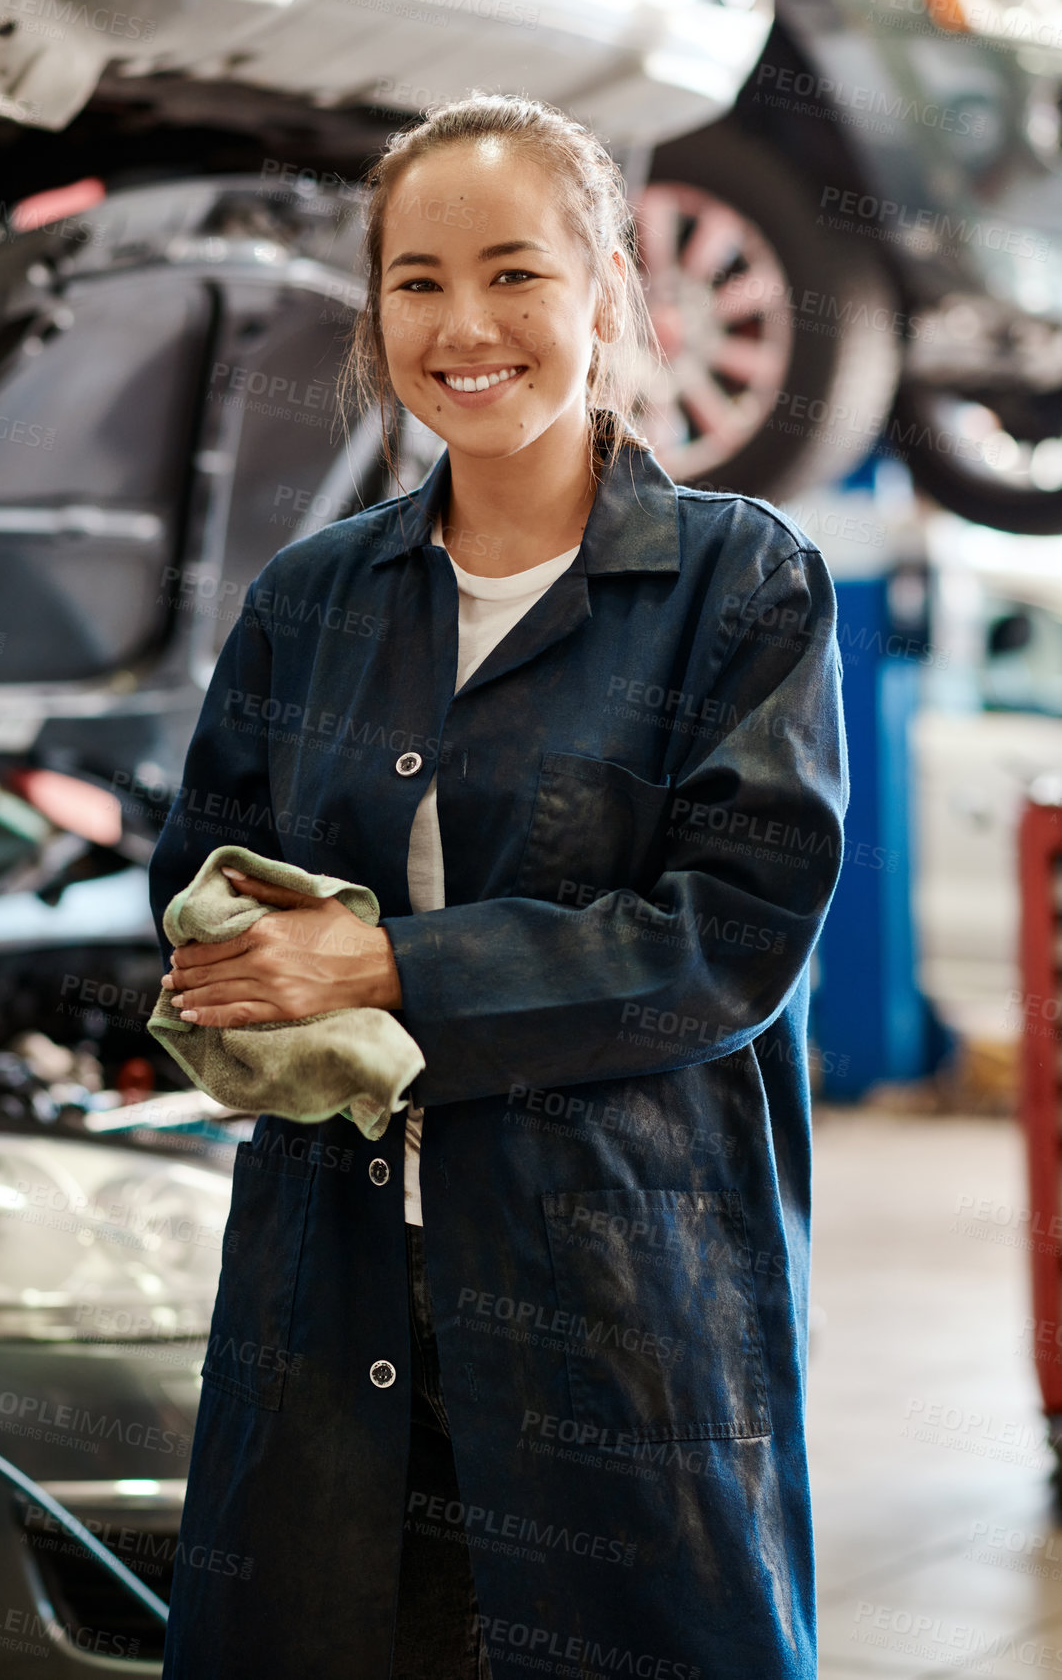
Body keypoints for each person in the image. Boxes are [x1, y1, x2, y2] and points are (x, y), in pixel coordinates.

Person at [148, 91, 848, 1680]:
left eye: (515, 274)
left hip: (611, 1304)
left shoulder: (740, 584)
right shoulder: (312, 597)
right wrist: (237, 962)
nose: (462, 325)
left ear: (611, 294)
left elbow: (724, 939)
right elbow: (199, 881)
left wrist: (385, 969)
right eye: (415, 281)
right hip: (330, 1293)